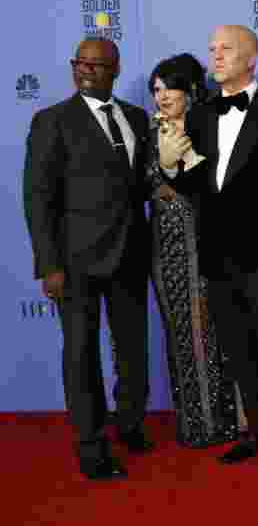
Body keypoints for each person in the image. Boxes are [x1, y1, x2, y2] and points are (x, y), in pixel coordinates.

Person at [159, 25, 258, 479]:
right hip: (219, 258)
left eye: (226, 49)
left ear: (252, 57)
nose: (216, 55)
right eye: (212, 49)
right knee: (241, 354)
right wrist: (172, 166)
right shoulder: (202, 115)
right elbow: (198, 188)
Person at [24, 38, 152, 480]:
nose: (87, 71)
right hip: (75, 263)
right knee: (81, 354)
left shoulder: (136, 118)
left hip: (132, 256)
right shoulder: (52, 122)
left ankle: (130, 423)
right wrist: (49, 264)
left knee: (132, 348)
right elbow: (37, 200)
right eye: (81, 64)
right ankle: (91, 445)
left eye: (97, 65)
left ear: (115, 69)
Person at [146, 53, 241, 448]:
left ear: (190, 90)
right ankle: (197, 425)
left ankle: (231, 422)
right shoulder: (147, 133)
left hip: (210, 243)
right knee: (183, 335)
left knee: (220, 334)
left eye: (170, 88)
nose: (162, 96)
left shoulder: (210, 128)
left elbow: (215, 186)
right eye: (156, 90)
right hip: (167, 249)